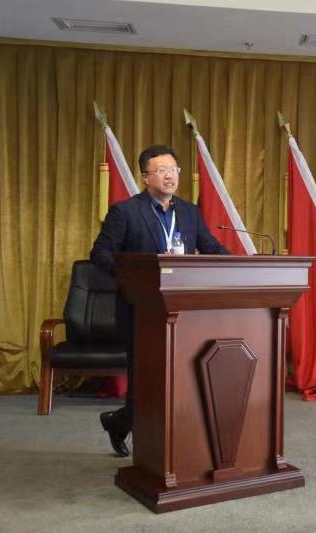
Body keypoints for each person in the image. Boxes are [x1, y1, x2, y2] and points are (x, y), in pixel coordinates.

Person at [90, 144, 229, 456]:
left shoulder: (189, 212)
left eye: (173, 169)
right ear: (145, 177)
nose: (170, 176)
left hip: (183, 310)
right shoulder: (125, 212)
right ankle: (142, 440)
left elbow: (210, 246)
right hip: (141, 310)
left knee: (182, 376)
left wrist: (240, 266)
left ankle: (129, 426)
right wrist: (133, 278)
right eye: (162, 170)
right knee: (146, 380)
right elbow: (100, 254)